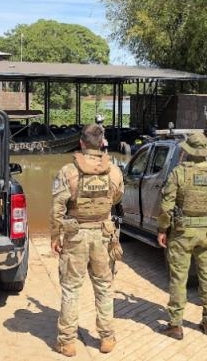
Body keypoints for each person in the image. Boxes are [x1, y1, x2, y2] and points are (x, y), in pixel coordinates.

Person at [51, 124, 125, 357]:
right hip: (104, 234)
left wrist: (55, 236)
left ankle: (67, 343)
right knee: (104, 287)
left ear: (81, 143)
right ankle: (107, 339)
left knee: (71, 289)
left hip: (75, 236)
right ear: (102, 143)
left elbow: (57, 207)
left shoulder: (67, 171)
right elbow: (117, 197)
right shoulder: (114, 171)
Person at [157, 132, 207, 340]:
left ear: (187, 150)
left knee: (179, 278)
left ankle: (176, 325)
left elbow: (166, 207)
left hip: (182, 233)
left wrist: (162, 229)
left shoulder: (179, 172)